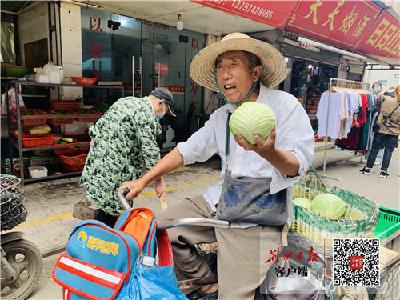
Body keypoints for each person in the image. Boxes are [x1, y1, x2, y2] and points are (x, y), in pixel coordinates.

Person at [120, 33, 314, 299]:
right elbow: (185, 151)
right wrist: (142, 181)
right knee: (155, 228)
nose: (225, 75)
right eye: (220, 67)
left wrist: (269, 152)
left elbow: (297, 166)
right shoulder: (222, 115)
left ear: (255, 72)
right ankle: (207, 281)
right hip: (222, 200)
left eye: (233, 64)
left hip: (258, 216)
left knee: (234, 297)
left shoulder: (285, 107)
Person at [80, 87, 176, 227]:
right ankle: (111, 240)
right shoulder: (146, 114)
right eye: (166, 110)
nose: (163, 114)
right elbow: (151, 152)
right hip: (117, 169)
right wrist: (159, 181)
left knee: (103, 201)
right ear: (161, 103)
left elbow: (97, 128)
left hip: (99, 164)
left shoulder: (125, 101)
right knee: (117, 208)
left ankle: (100, 233)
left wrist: (98, 154)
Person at [360, 84, 400, 178]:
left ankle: (368, 168)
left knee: (375, 148)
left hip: (381, 128)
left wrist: (387, 90)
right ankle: (383, 172)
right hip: (394, 131)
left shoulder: (384, 98)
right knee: (388, 151)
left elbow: (376, 106)